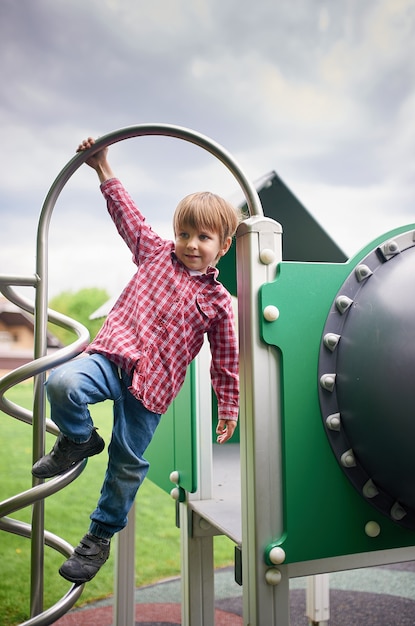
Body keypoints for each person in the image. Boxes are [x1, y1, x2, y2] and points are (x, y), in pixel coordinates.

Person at [32, 137, 240, 584]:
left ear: (223, 245)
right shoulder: (154, 254)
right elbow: (126, 214)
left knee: (127, 465)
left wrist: (229, 403)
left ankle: (98, 538)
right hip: (112, 357)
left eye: (202, 237)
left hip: (153, 390)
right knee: (61, 384)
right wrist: (102, 166)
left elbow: (225, 360)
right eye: (184, 233)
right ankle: (78, 440)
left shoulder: (219, 302)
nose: (189, 244)